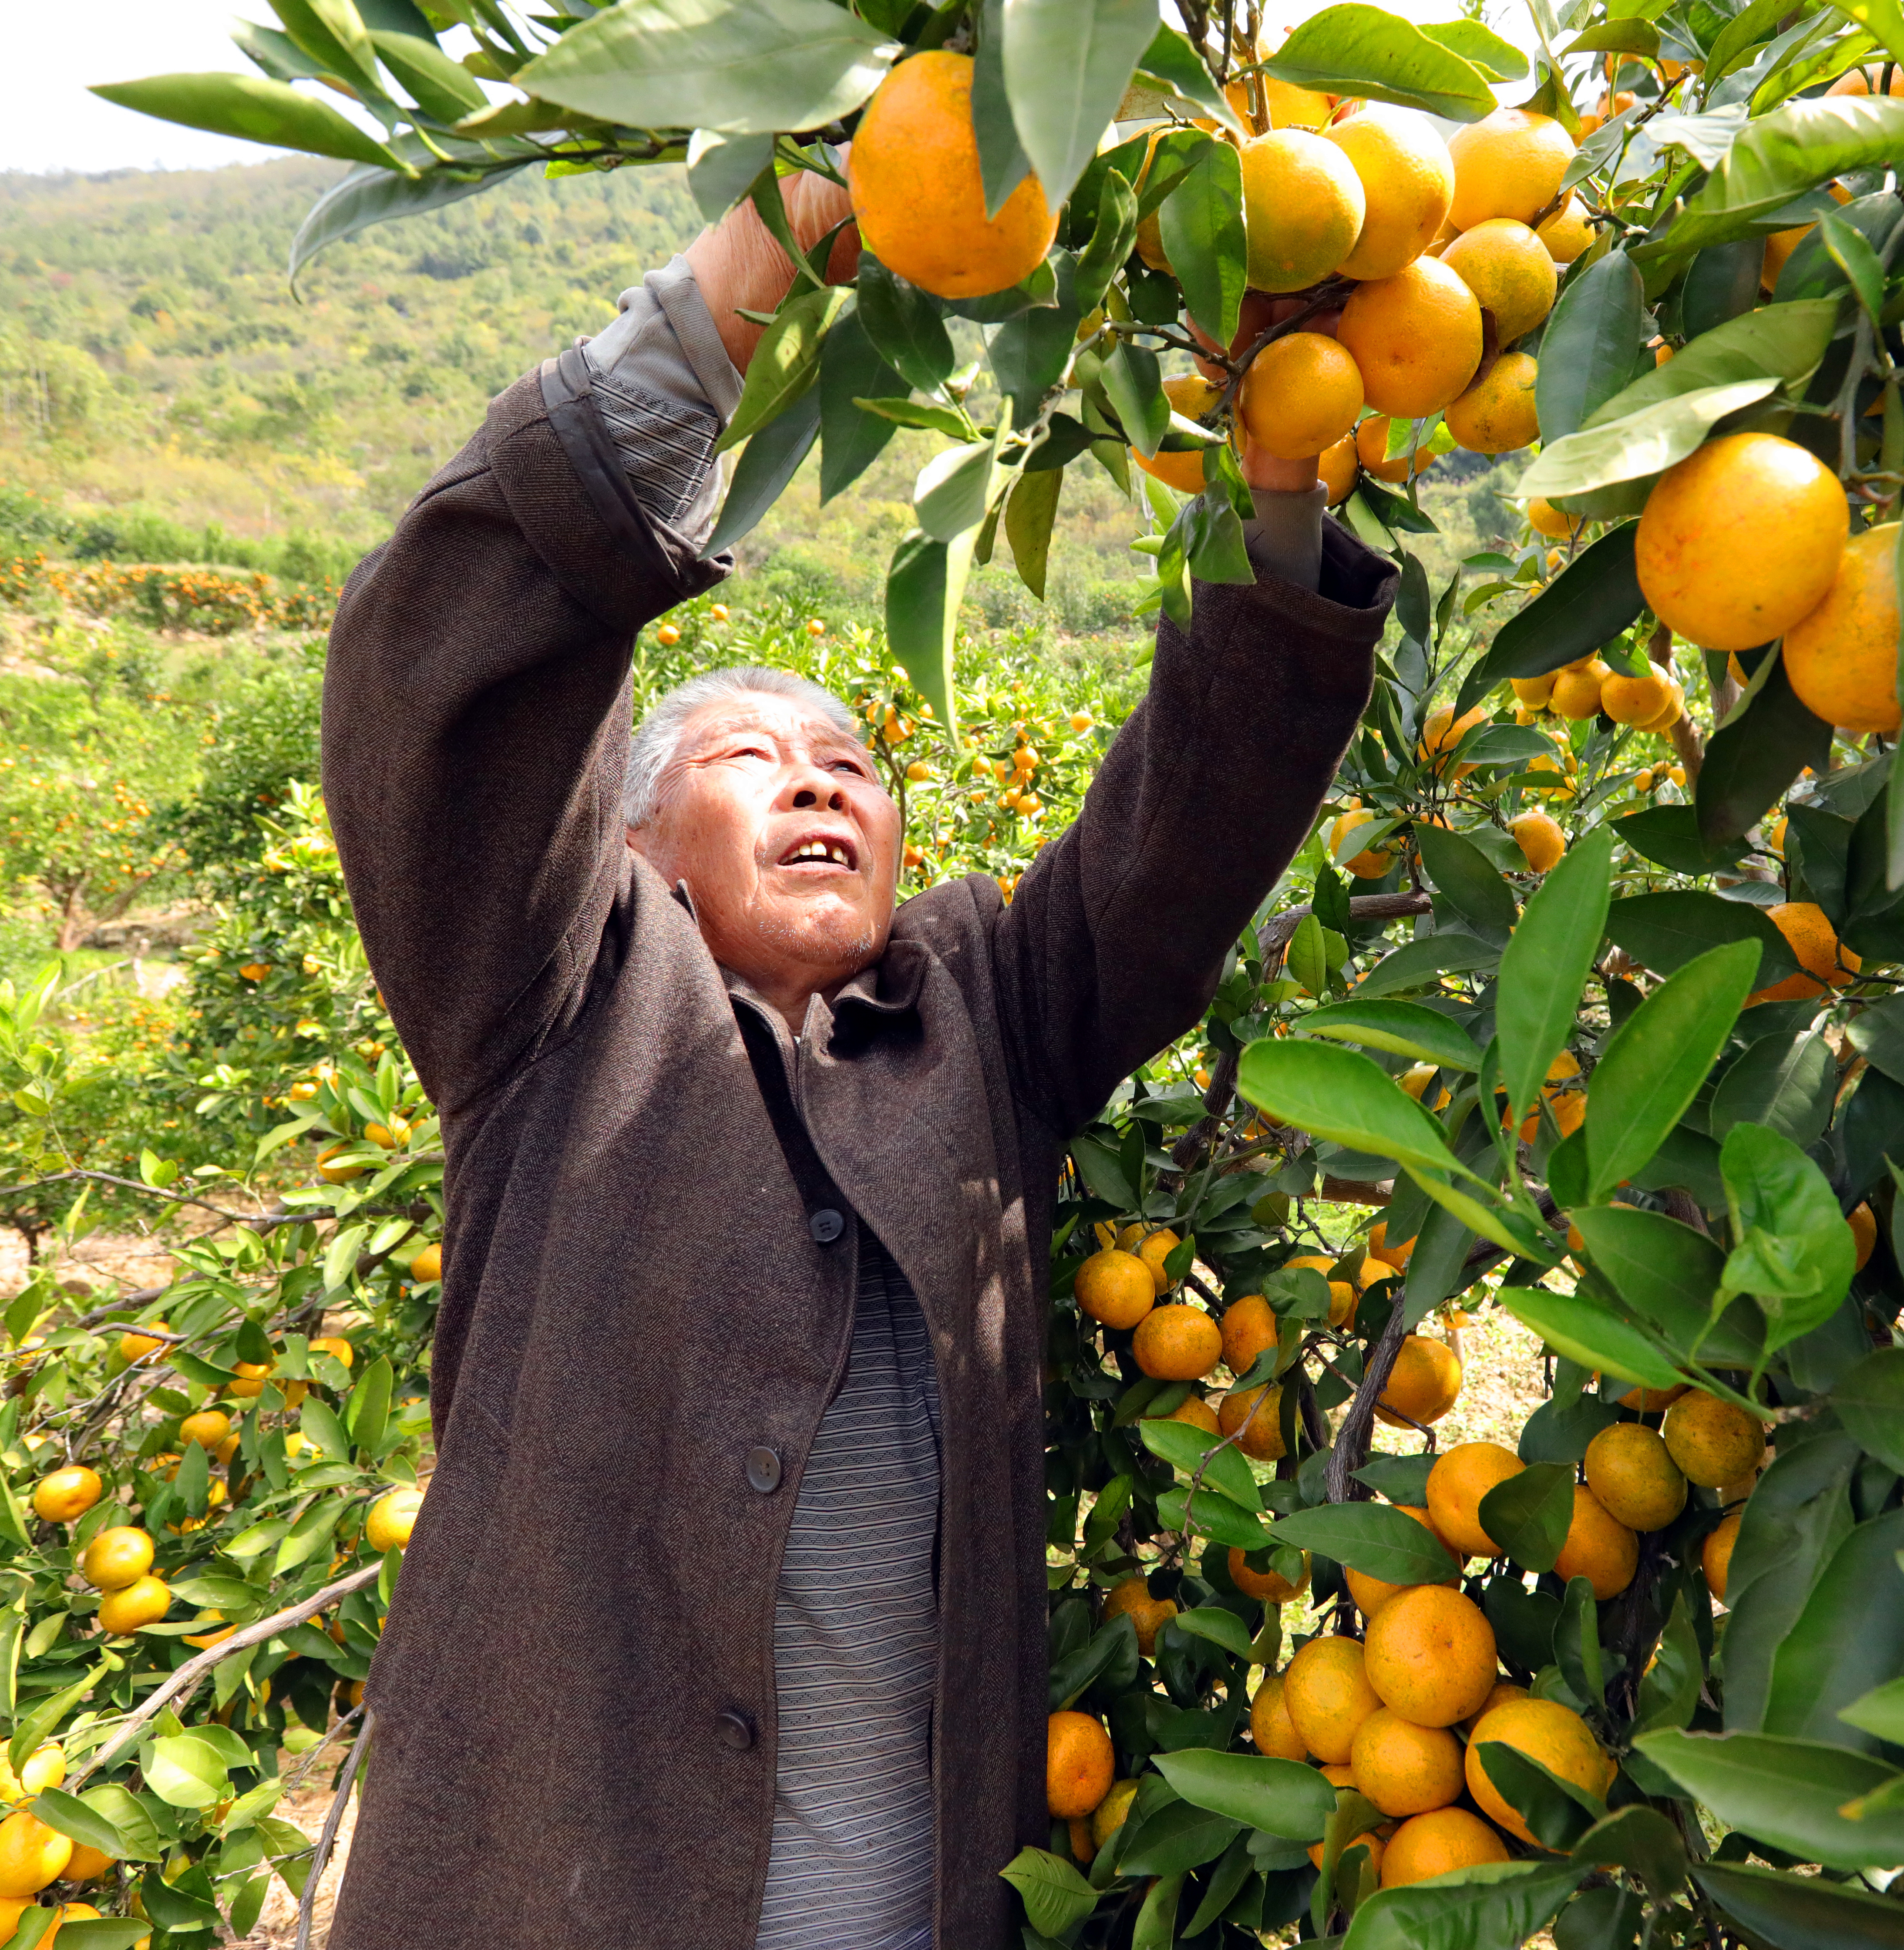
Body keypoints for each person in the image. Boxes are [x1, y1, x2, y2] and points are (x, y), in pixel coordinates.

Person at [318, 162, 1396, 1950]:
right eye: (752, 755)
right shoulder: (550, 1001)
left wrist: (1277, 466)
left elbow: (1189, 821)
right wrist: (760, 261)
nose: (824, 777)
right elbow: (439, 682)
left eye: (856, 763)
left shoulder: (986, 1008)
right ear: (636, 842)